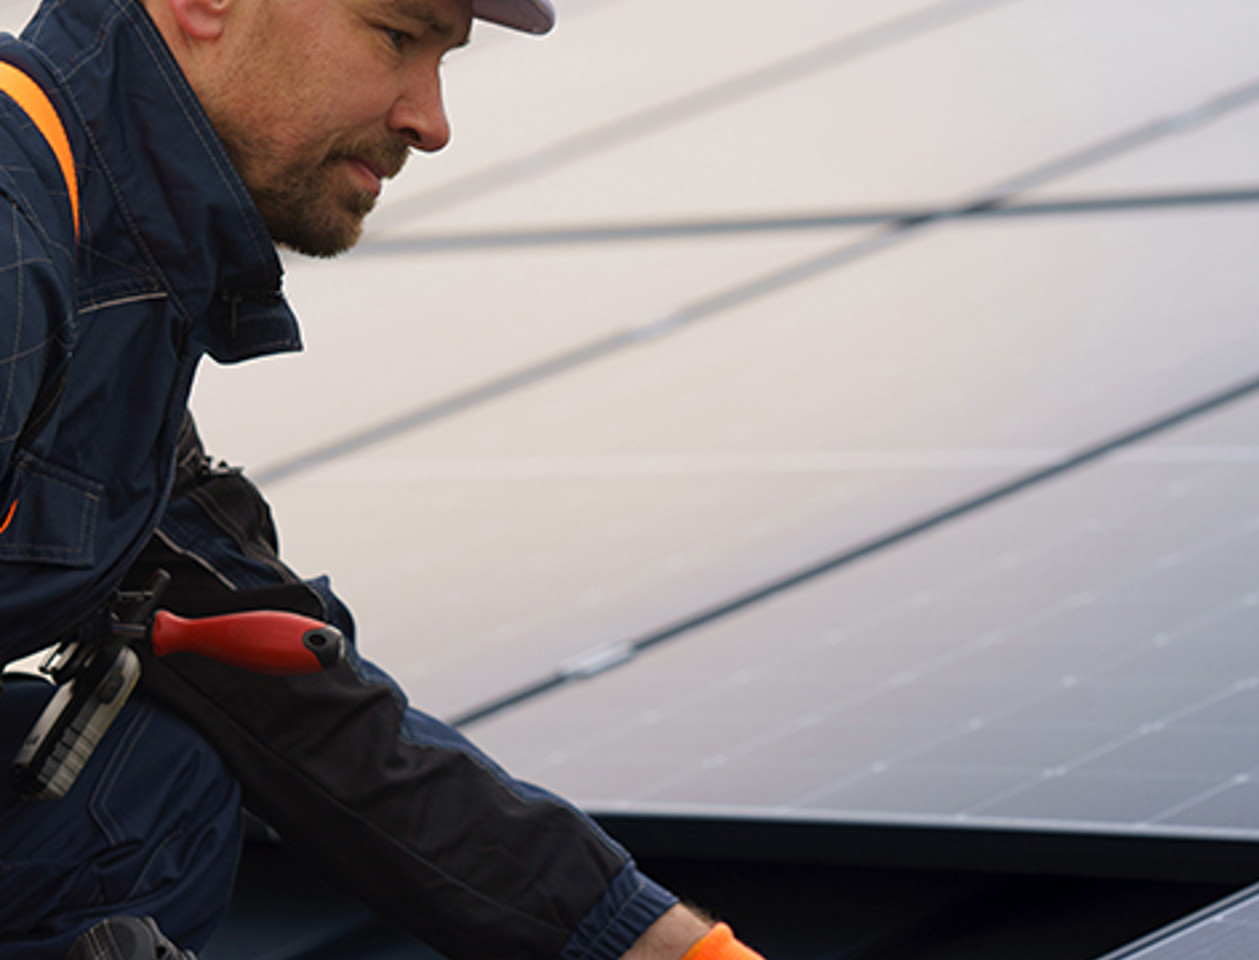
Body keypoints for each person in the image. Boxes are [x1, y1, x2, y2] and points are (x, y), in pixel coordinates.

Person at [0, 0, 763, 956]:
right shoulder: (13, 235)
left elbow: (300, 712)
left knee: (149, 791)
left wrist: (660, 947)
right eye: (397, 36)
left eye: (445, 58)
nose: (431, 121)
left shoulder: (108, 274)